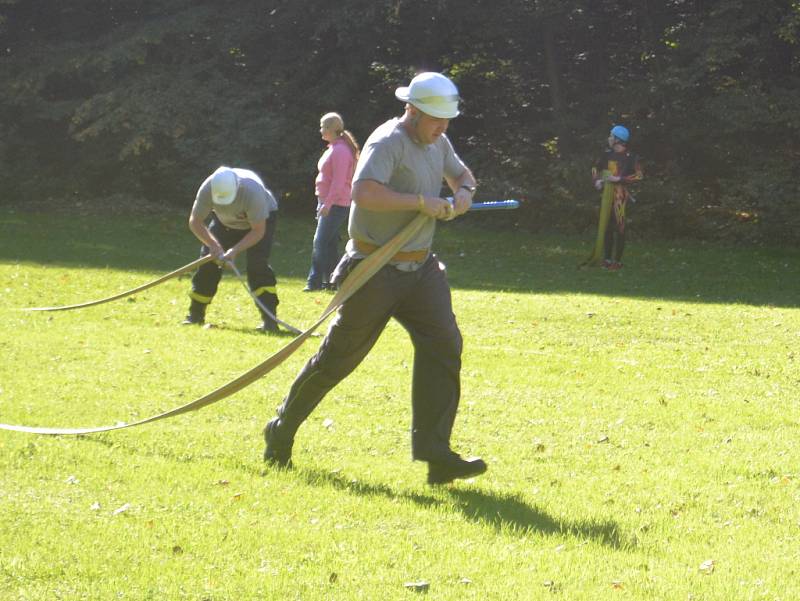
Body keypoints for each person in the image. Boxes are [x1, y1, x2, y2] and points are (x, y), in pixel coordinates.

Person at [263, 72, 487, 485]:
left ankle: (437, 456)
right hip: (374, 269)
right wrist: (422, 201)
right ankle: (281, 427)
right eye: (436, 118)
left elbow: (462, 175)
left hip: (421, 269)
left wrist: (463, 195)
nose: (443, 126)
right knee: (339, 358)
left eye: (447, 119)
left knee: (445, 346)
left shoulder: (438, 140)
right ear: (412, 110)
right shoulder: (386, 142)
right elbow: (363, 192)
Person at [183, 166, 281, 333]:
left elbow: (258, 230)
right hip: (223, 223)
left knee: (257, 266)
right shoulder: (208, 187)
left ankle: (270, 321)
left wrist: (234, 250)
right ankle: (195, 315)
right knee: (208, 263)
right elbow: (195, 221)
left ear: (238, 188)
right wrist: (214, 246)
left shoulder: (252, 191)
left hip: (258, 223)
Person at [304, 112, 360, 292]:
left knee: (319, 242)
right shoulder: (334, 148)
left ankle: (314, 282)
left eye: (323, 127)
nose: (320, 130)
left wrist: (327, 205)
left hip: (335, 204)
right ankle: (333, 281)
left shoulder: (340, 151)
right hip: (328, 202)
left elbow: (338, 181)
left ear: (330, 129)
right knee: (328, 244)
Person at [590, 125, 643, 270]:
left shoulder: (631, 157)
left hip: (620, 197)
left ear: (618, 140)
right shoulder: (606, 153)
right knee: (607, 227)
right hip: (606, 196)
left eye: (611, 136)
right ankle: (607, 259)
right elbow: (595, 168)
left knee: (620, 228)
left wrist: (618, 179)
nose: (609, 138)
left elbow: (639, 175)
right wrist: (597, 181)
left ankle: (617, 261)